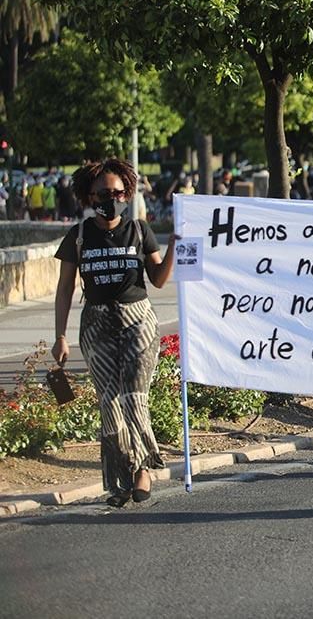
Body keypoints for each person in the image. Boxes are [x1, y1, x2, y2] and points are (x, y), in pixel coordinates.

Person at [52, 159, 179, 507]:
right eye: (104, 194)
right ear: (88, 196)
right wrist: (60, 335)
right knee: (109, 402)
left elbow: (158, 279)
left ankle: (142, 470)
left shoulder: (138, 231)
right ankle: (120, 479)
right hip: (96, 323)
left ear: (128, 192)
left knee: (134, 396)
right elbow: (64, 289)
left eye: (118, 192)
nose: (112, 198)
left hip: (138, 318)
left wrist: (173, 248)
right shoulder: (78, 236)